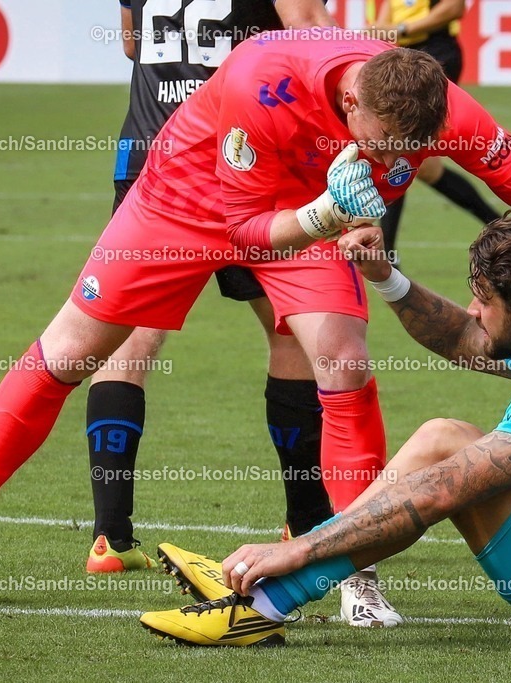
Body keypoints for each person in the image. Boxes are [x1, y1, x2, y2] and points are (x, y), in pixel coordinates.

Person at [0, 33, 511, 621]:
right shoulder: (260, 81)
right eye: (383, 148)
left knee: (344, 358)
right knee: (71, 350)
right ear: (352, 100)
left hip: (312, 208)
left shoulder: (436, 107)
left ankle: (357, 572)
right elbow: (248, 232)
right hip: (196, 194)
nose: (396, 165)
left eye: (412, 154)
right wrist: (329, 208)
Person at [138, 213, 511, 647]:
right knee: (447, 442)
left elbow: (441, 490)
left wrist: (299, 549)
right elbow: (464, 339)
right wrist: (385, 277)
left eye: (483, 299)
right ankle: (266, 592)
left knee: (447, 447)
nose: (471, 308)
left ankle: (263, 602)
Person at [84, 0, 337, 579]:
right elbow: (310, 35)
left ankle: (110, 537)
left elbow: (132, 44)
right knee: (291, 332)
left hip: (151, 154)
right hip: (245, 152)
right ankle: (304, 522)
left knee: (127, 341)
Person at [368, 0, 499, 262]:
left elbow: (454, 8)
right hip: (403, 61)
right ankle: (497, 225)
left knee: (398, 151)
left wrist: (403, 28)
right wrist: (381, 32)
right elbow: (383, 23)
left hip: (435, 59)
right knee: (427, 169)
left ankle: (388, 255)